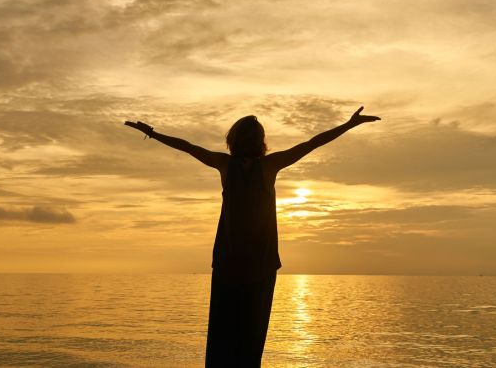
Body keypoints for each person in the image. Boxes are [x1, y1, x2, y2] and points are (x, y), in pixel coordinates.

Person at [125, 106, 380, 366]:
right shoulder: (256, 165)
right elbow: (311, 143)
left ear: (234, 140)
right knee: (241, 336)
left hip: (242, 263)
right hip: (248, 264)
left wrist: (153, 133)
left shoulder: (235, 164)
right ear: (257, 141)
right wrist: (347, 125)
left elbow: (189, 147)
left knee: (232, 337)